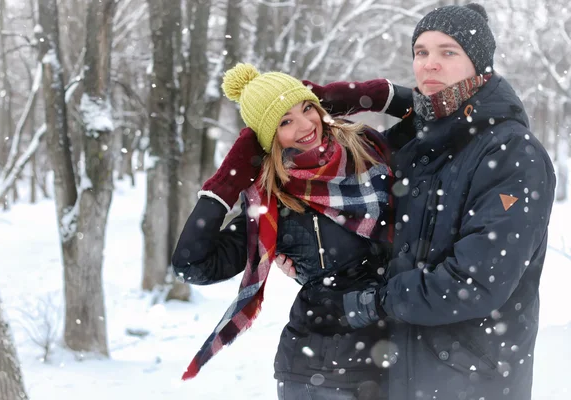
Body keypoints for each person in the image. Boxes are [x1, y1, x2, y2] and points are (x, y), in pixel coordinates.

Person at [285, 3, 556, 400]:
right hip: (398, 374)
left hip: (470, 380)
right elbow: (383, 248)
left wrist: (374, 302)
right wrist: (314, 258)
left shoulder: (512, 153)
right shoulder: (411, 145)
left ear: (478, 66)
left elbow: (477, 280)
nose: (430, 64)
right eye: (421, 52)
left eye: (448, 52)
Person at [172, 63, 409, 399]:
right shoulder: (275, 203)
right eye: (285, 122)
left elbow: (427, 113)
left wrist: (334, 95)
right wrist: (226, 182)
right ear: (268, 139)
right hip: (323, 374)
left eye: (307, 109)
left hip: (402, 359)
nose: (304, 125)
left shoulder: (371, 151)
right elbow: (192, 265)